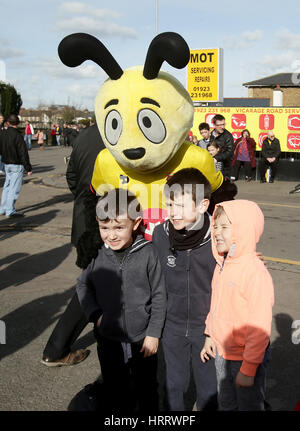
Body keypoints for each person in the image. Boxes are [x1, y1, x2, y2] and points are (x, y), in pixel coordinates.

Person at [76, 188, 166, 411]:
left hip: (141, 338)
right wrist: (95, 315)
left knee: (147, 388)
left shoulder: (149, 253)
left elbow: (159, 294)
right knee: (116, 388)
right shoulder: (97, 253)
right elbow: (82, 284)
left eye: (118, 227)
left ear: (135, 224)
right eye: (104, 227)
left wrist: (153, 334)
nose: (111, 235)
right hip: (108, 337)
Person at [152, 168, 218, 411]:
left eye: (179, 205)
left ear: (202, 206)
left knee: (209, 388)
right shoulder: (160, 235)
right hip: (173, 326)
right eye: (169, 204)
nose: (172, 212)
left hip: (208, 330)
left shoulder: (219, 238)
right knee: (173, 385)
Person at [201, 200, 274, 411]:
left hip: (245, 357)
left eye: (224, 227)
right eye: (215, 226)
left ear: (243, 231)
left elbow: (259, 326)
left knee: (249, 405)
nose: (216, 232)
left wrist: (249, 368)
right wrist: (209, 335)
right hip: (222, 353)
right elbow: (216, 306)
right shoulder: (222, 264)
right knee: (226, 404)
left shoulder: (254, 272)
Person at [41, 125, 105, 367]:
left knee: (95, 281)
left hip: (83, 216)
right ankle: (56, 348)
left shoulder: (85, 134)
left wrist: (83, 200)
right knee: (93, 282)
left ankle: (57, 348)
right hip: (108, 219)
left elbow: (71, 176)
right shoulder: (123, 132)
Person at [0, 114, 32, 217]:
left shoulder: (3, 134)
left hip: (6, 163)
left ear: (8, 122)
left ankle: (3, 208)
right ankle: (10, 210)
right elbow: (23, 153)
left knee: (7, 186)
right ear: (18, 123)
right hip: (16, 164)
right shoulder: (18, 136)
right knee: (14, 188)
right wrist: (28, 167)